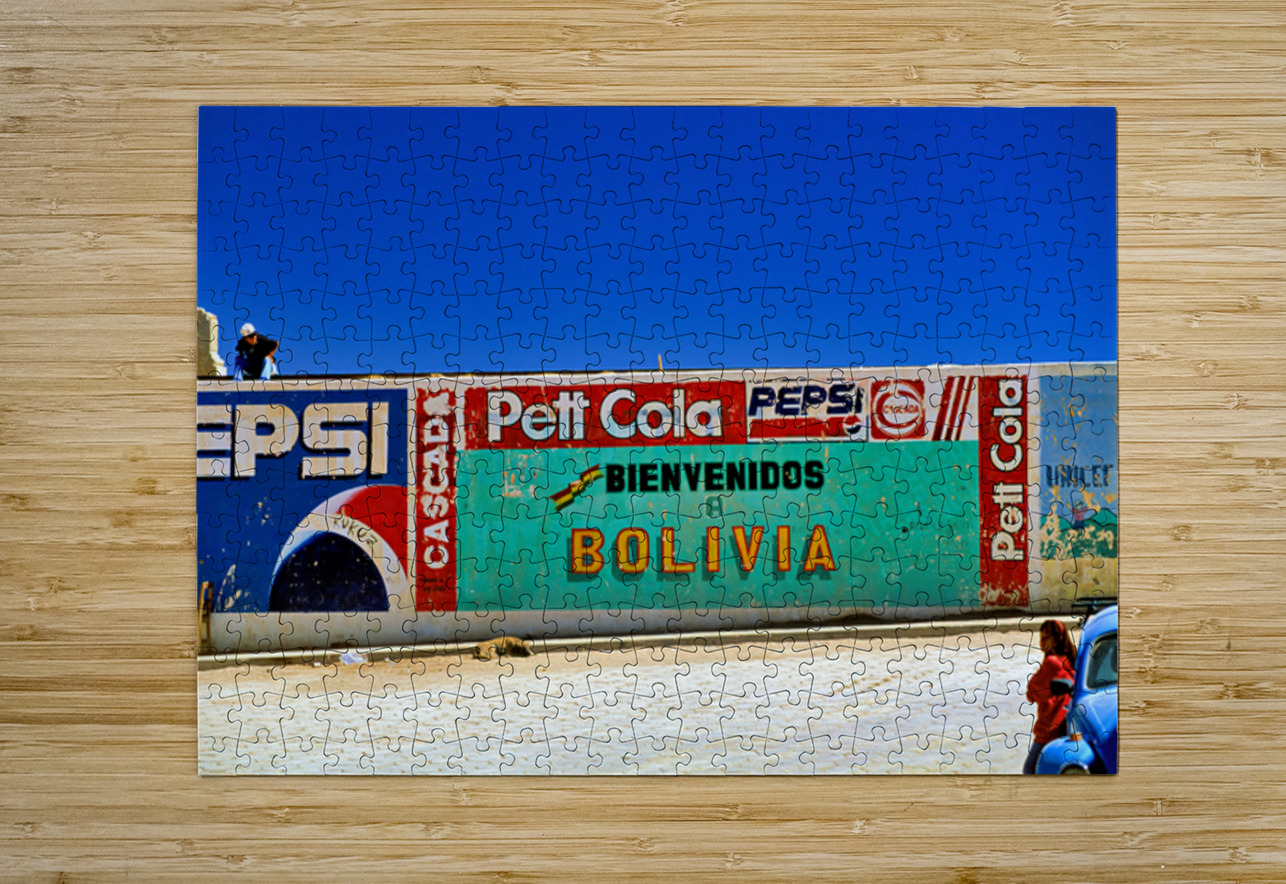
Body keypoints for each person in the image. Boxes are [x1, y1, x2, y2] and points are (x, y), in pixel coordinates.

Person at [1023, 618, 1078, 774]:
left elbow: (1031, 693)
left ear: (1056, 639)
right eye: (1041, 637)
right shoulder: (1070, 659)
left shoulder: (1051, 662)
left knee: (1029, 769)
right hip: (1064, 726)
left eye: (1046, 637)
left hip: (1049, 729)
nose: (1042, 641)